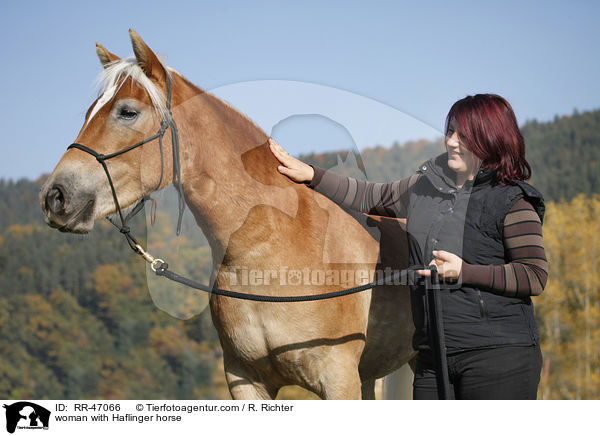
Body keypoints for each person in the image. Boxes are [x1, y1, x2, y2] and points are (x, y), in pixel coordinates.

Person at [268, 93, 548, 400]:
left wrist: (465, 272)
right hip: (432, 357)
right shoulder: (424, 187)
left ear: (491, 138)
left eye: (464, 135)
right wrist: (311, 174)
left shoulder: (514, 202)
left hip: (498, 357)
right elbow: (370, 196)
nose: (452, 142)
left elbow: (533, 276)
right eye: (450, 132)